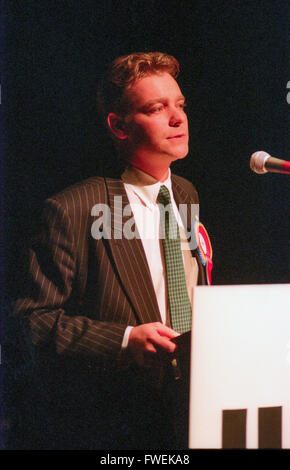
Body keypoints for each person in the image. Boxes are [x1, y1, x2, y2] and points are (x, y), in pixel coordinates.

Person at [11, 52, 208, 450]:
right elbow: (30, 323)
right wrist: (125, 339)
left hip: (191, 400)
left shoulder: (185, 194)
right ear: (119, 126)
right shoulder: (75, 209)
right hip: (117, 417)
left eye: (180, 105)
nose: (177, 118)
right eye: (157, 108)